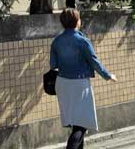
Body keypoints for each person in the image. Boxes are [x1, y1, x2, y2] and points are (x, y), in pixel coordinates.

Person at [50, 8, 117, 149]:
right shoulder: (82, 41)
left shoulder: (56, 41)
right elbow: (94, 61)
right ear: (77, 21)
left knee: (75, 122)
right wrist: (108, 75)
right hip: (79, 84)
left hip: (62, 83)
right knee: (82, 125)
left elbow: (53, 65)